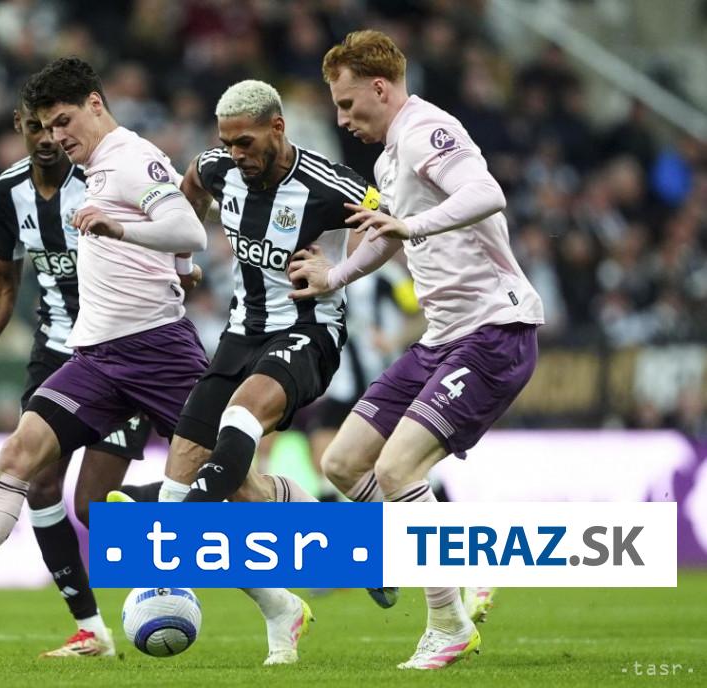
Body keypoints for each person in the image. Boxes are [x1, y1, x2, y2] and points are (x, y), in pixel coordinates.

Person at [0, 55, 210, 652]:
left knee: (219, 486)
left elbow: (185, 228)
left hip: (154, 349)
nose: (53, 138)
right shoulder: (14, 190)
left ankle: (320, 572)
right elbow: (5, 281)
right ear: (21, 126)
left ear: (94, 106)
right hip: (83, 354)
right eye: (41, 126)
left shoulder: (120, 161)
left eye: (61, 123)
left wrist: (149, 246)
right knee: (23, 461)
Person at [287, 30, 544, 670]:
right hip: (441, 339)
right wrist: (335, 277)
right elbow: (388, 237)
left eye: (348, 104)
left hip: (493, 331)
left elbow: (486, 193)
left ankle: (448, 624)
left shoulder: (429, 130)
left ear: (380, 88)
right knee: (344, 463)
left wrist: (412, 222)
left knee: (399, 470)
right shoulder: (387, 161)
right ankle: (461, 563)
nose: (343, 120)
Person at [167, 79, 382, 508]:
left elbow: (390, 224)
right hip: (240, 333)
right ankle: (319, 523)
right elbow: (192, 179)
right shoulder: (219, 169)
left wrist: (338, 274)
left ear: (277, 127)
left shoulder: (328, 184)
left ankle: (178, 524)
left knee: (240, 417)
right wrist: (183, 261)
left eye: (245, 142)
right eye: (227, 143)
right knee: (182, 473)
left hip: (308, 331)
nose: (235, 154)